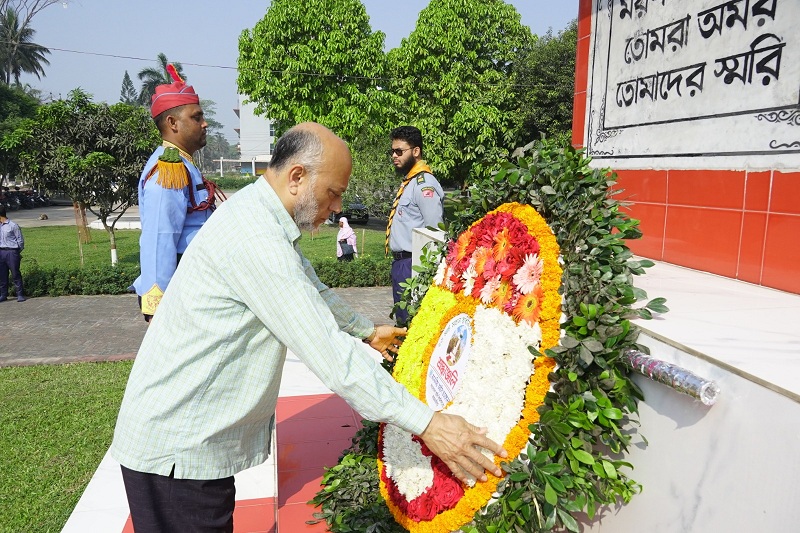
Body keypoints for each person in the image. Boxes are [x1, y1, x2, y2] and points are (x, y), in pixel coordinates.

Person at [110, 122, 506, 532]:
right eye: (333, 193)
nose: (336, 208)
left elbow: (310, 287)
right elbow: (331, 356)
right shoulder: (256, 240)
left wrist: (367, 330)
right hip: (177, 450)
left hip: (190, 441)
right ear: (298, 176)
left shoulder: (259, 214)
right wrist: (431, 425)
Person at [131, 64, 222, 322]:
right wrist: (157, 308)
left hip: (195, 280)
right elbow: (160, 237)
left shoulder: (183, 163)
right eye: (196, 117)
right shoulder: (167, 169)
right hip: (180, 288)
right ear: (172, 123)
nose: (205, 124)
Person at [385, 125, 444, 325]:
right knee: (403, 321)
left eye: (399, 151)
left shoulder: (424, 184)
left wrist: (427, 275)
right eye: (392, 151)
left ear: (416, 151)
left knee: (411, 323)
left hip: (414, 264)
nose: (394, 155)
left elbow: (435, 233)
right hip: (402, 264)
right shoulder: (410, 183)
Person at [0, 205, 26, 302]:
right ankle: (3, 294)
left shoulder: (13, 226)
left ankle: (20, 294)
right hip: (1, 252)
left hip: (12, 251)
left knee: (15, 273)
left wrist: (16, 252)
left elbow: (20, 241)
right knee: (2, 274)